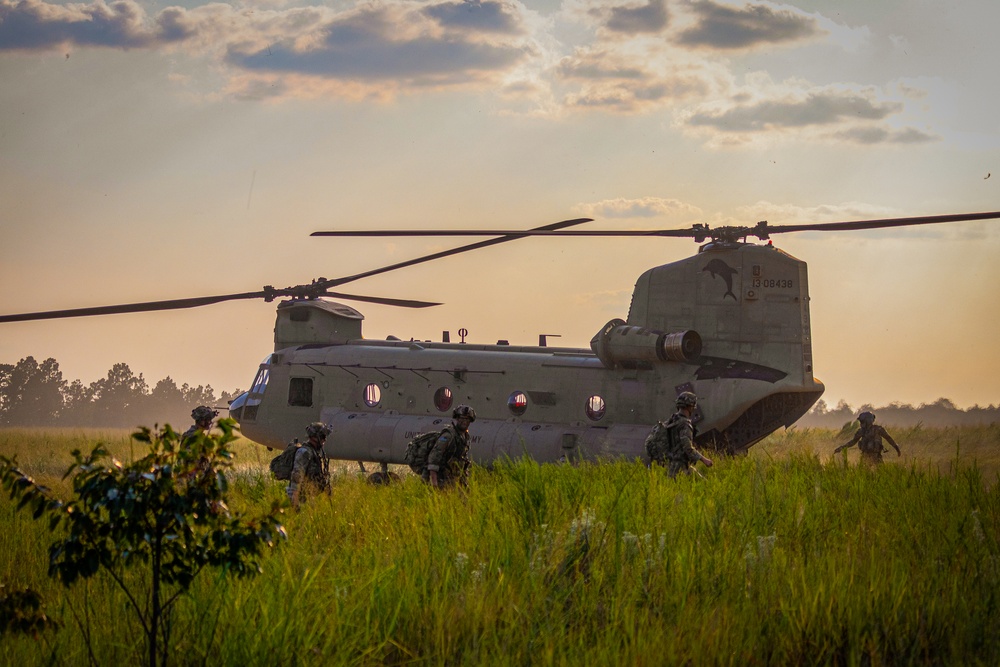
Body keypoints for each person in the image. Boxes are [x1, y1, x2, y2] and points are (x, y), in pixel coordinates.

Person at [645, 391, 714, 478]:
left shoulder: (671, 421)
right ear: (690, 406)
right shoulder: (684, 424)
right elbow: (687, 447)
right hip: (679, 467)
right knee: (702, 487)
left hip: (669, 465)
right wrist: (704, 460)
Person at [425, 405, 475, 489]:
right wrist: (434, 483)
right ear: (457, 419)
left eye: (467, 419)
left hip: (454, 479)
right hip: (443, 480)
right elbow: (434, 457)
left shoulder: (465, 437)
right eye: (462, 418)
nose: (464, 421)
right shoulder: (449, 435)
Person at [287, 422, 332, 508]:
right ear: (316, 437)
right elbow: (296, 477)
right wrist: (295, 502)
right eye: (323, 437)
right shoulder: (304, 453)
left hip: (311, 498)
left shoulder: (313, 452)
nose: (324, 440)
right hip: (303, 500)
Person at [834, 411, 900, 465]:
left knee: (881, 473)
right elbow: (853, 442)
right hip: (865, 456)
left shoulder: (878, 429)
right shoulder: (861, 431)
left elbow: (888, 438)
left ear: (868, 421)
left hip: (876, 456)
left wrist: (896, 447)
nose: (861, 423)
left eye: (862, 421)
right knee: (862, 474)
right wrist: (842, 448)